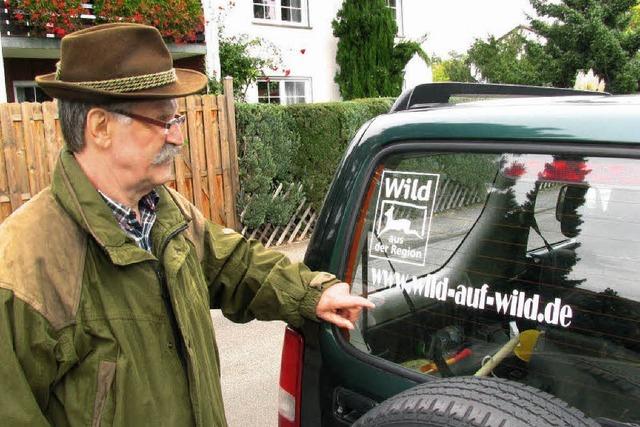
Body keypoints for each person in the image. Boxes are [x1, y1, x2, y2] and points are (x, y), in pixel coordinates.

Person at [0, 23, 373, 426]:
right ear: (100, 127)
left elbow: (234, 264)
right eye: (164, 122)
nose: (178, 138)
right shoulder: (23, 268)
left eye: (177, 120)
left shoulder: (166, 211)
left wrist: (309, 292)